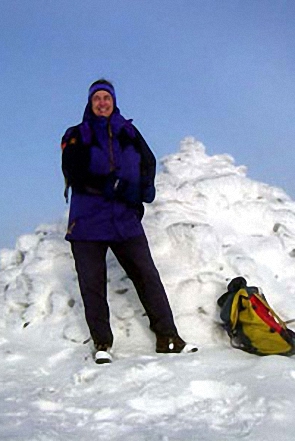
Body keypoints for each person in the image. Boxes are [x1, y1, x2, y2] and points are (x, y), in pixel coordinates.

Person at [61, 79, 195, 364]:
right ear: (90, 103)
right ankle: (102, 343)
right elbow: (74, 173)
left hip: (124, 221)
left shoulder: (129, 131)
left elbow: (148, 160)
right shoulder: (77, 134)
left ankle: (168, 337)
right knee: (92, 285)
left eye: (106, 98)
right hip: (87, 224)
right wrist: (117, 187)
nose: (102, 103)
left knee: (148, 277)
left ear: (114, 101)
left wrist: (145, 189)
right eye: (96, 98)